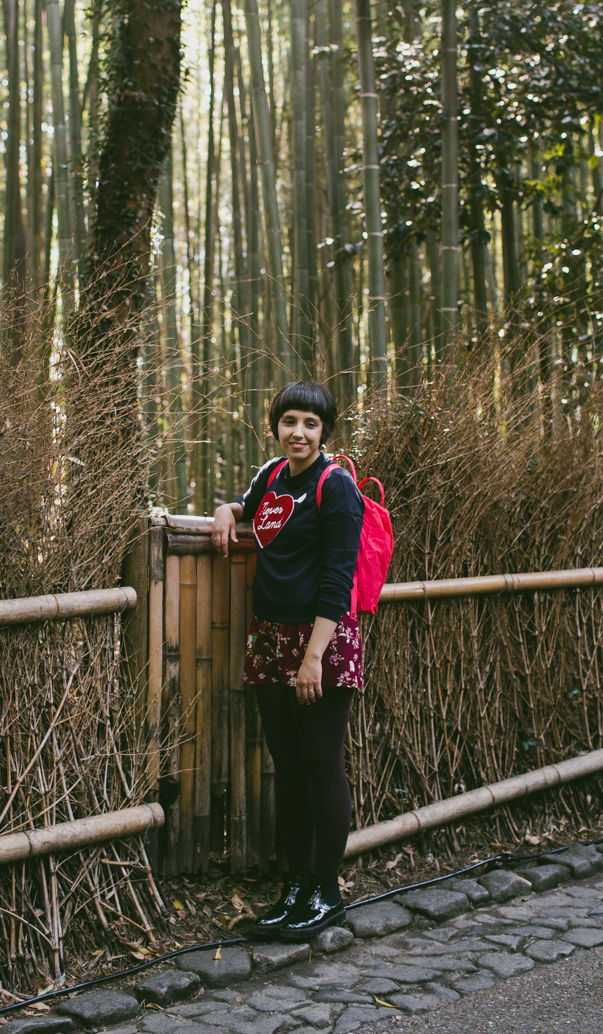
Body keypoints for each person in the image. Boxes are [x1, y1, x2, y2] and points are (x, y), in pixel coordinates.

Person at [211, 380, 365, 940]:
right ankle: (295, 888)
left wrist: (313, 658)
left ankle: (327, 891)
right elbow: (247, 509)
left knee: (322, 763)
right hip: (269, 636)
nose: (298, 433)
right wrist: (226, 511)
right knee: (287, 766)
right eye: (290, 421)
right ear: (275, 425)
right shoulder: (272, 477)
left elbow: (338, 577)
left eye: (311, 424)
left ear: (325, 432)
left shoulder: (336, 487)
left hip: (320, 641)